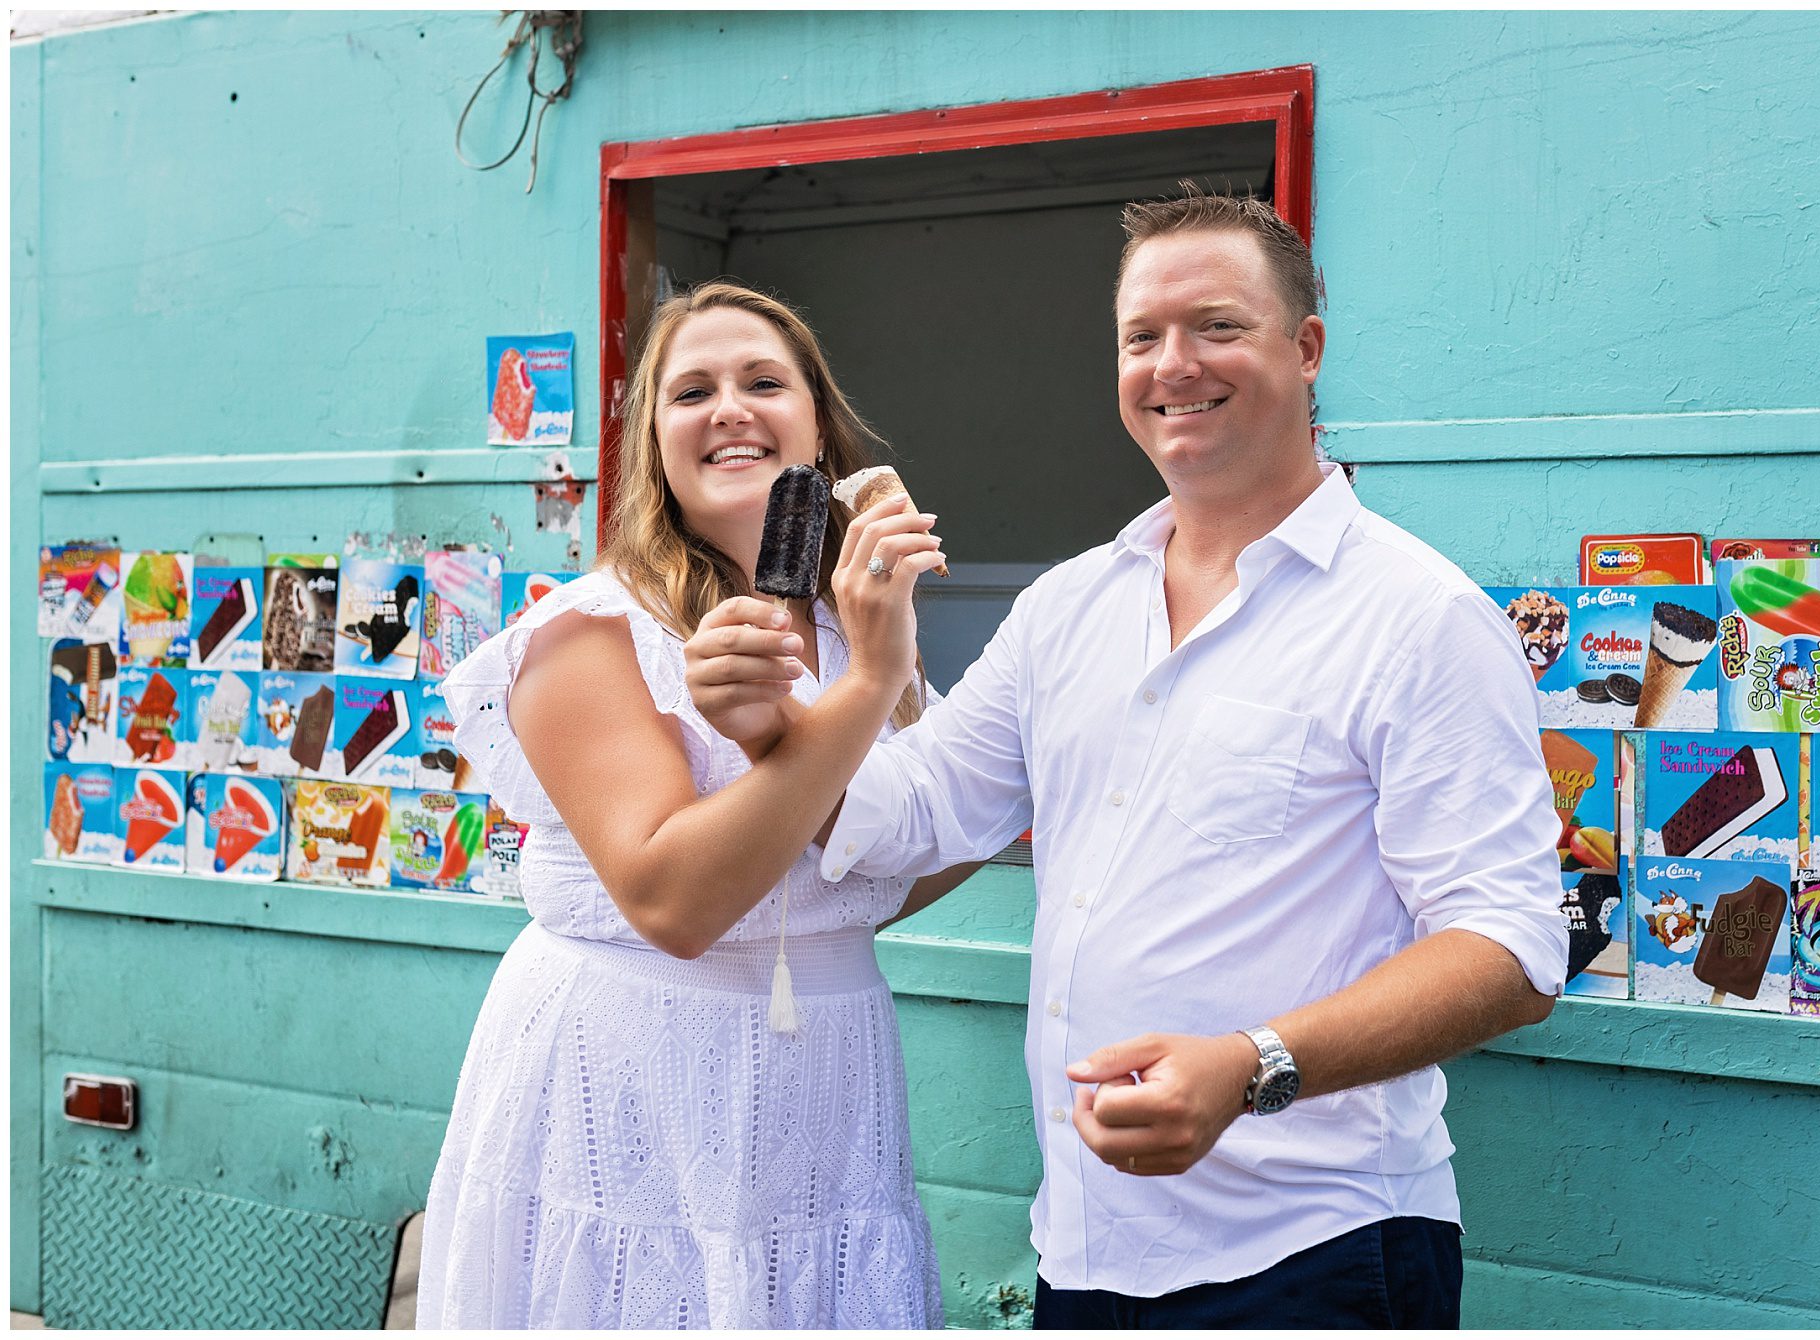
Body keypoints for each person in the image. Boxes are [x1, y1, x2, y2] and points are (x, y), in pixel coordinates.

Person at [683, 190, 1569, 1328]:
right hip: (1089, 1250)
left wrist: (1250, 1064)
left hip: (1316, 1253)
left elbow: (1511, 949)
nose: (1172, 364)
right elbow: (910, 811)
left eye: (1215, 326)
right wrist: (768, 719)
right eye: (1140, 336)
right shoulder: (1069, 606)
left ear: (1305, 350)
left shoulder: (1418, 616)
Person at [415, 280, 962, 1329]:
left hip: (824, 1086)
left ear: (818, 424)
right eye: (690, 390)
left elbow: (875, 870)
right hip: (632, 1080)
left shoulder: (859, 627)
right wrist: (859, 694)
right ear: (650, 442)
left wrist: (1022, 759)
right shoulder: (589, 633)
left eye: (764, 381)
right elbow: (674, 900)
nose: (730, 408)